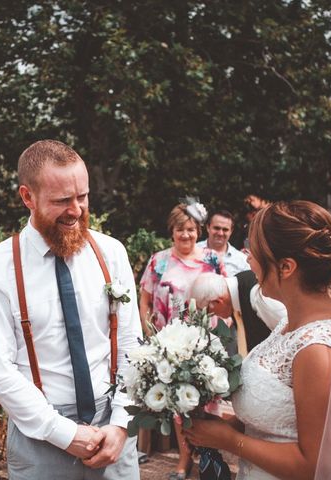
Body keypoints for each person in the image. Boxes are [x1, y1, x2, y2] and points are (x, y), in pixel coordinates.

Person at [182, 200, 331, 479]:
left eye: (255, 252)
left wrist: (230, 441)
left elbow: (318, 467)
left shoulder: (317, 351)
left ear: (286, 267)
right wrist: (224, 425)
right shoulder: (288, 323)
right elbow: (282, 416)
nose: (247, 259)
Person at [0, 140, 142, 479]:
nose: (76, 210)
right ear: (27, 197)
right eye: (62, 200)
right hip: (41, 436)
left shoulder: (111, 253)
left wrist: (122, 423)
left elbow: (131, 346)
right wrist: (64, 433)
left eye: (82, 196)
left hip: (112, 430)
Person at [139, 200, 223, 480]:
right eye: (179, 230)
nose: (185, 235)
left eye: (190, 229)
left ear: (198, 230)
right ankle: (183, 461)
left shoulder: (211, 259)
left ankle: (208, 456)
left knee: (207, 400)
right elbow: (145, 300)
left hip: (204, 341)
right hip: (169, 343)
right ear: (171, 231)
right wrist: (150, 335)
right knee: (179, 401)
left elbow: (224, 298)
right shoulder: (159, 261)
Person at [192, 271, 286, 355]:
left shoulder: (256, 295)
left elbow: (292, 330)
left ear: (218, 301)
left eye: (207, 311)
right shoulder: (233, 298)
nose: (211, 315)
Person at [197, 210, 250, 277]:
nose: (220, 233)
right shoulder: (193, 251)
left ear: (231, 231)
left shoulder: (242, 261)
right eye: (216, 228)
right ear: (208, 227)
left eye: (225, 230)